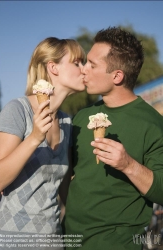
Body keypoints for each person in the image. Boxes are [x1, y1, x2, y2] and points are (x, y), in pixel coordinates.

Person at [64, 27, 163, 250]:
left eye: (92, 65)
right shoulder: (81, 117)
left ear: (117, 76)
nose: (83, 71)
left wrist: (128, 165)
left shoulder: (154, 125)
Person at [0, 37, 85, 250]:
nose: (84, 69)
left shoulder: (66, 121)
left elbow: (64, 188)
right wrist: (35, 137)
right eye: (77, 63)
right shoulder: (18, 110)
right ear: (53, 67)